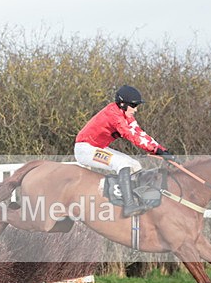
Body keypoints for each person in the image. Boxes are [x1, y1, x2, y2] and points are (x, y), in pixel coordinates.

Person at [75, 85, 177, 217]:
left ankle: (140, 199)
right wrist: (156, 150)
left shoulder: (124, 114)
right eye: (133, 106)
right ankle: (129, 205)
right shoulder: (115, 116)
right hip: (85, 149)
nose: (135, 110)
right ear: (122, 104)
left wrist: (162, 150)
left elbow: (139, 133)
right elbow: (131, 135)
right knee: (123, 164)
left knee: (135, 165)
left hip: (97, 147)